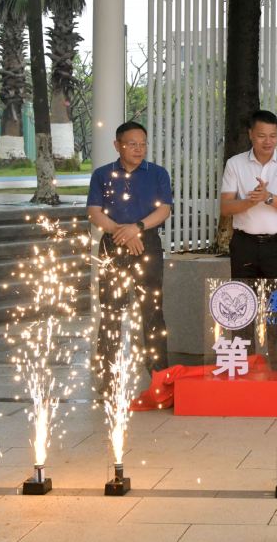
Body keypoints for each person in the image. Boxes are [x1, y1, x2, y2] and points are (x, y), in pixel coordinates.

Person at [87, 121, 173, 380]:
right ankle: (108, 371)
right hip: (112, 244)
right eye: (132, 144)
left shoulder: (157, 173)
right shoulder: (102, 174)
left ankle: (159, 371)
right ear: (117, 145)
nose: (139, 149)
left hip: (148, 242)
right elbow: (94, 212)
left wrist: (136, 228)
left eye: (143, 144)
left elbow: (164, 210)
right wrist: (122, 234)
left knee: (152, 308)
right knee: (111, 308)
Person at [219, 110, 277, 370]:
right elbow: (226, 207)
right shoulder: (235, 164)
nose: (268, 141)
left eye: (273, 136)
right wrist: (249, 201)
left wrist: (267, 197)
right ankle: (243, 367)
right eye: (262, 136)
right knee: (241, 309)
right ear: (250, 135)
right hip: (244, 245)